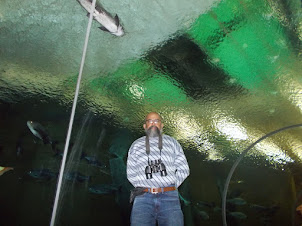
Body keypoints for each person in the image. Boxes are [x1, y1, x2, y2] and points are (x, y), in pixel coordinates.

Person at [126, 112, 190, 226]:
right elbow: (130, 172)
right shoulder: (136, 145)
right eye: (149, 121)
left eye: (156, 121)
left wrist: (171, 186)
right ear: (145, 126)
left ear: (162, 125)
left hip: (169, 197)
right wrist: (144, 185)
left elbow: (184, 169)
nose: (153, 124)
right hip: (142, 198)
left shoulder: (172, 142)